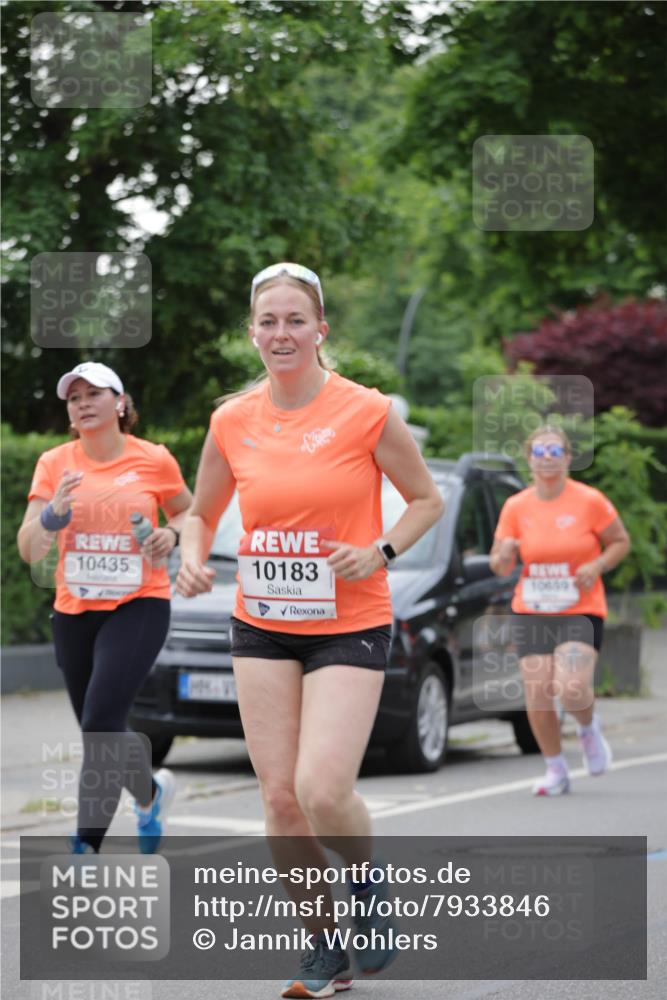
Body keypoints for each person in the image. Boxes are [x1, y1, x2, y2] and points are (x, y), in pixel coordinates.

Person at [176, 263, 444, 998]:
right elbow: (200, 512)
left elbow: (424, 500)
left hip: (348, 620)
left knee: (322, 789)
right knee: (280, 800)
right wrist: (194, 559)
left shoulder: (366, 410)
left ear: (321, 329)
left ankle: (364, 885)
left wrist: (378, 550)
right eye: (268, 321)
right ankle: (322, 947)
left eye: (296, 320)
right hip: (261, 621)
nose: (281, 333)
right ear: (252, 333)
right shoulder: (232, 418)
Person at [17, 362, 192, 853]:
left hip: (139, 604)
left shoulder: (153, 459)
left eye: (94, 393)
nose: (83, 403)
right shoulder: (55, 463)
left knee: (98, 725)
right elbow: (29, 548)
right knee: (105, 727)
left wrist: (171, 534)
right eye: (74, 398)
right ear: (70, 414)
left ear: (120, 403)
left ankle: (85, 846)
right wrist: (52, 515)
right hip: (75, 611)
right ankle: (151, 793)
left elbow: (188, 509)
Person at [489, 425, 630, 796]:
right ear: (529, 458)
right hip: (532, 609)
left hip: (579, 608)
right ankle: (555, 769)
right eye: (540, 451)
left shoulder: (590, 501)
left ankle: (587, 729)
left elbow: (620, 542)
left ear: (568, 457)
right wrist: (503, 555)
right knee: (537, 692)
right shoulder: (516, 506)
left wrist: (596, 566)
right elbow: (499, 565)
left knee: (571, 687)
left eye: (555, 451)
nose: (547, 458)